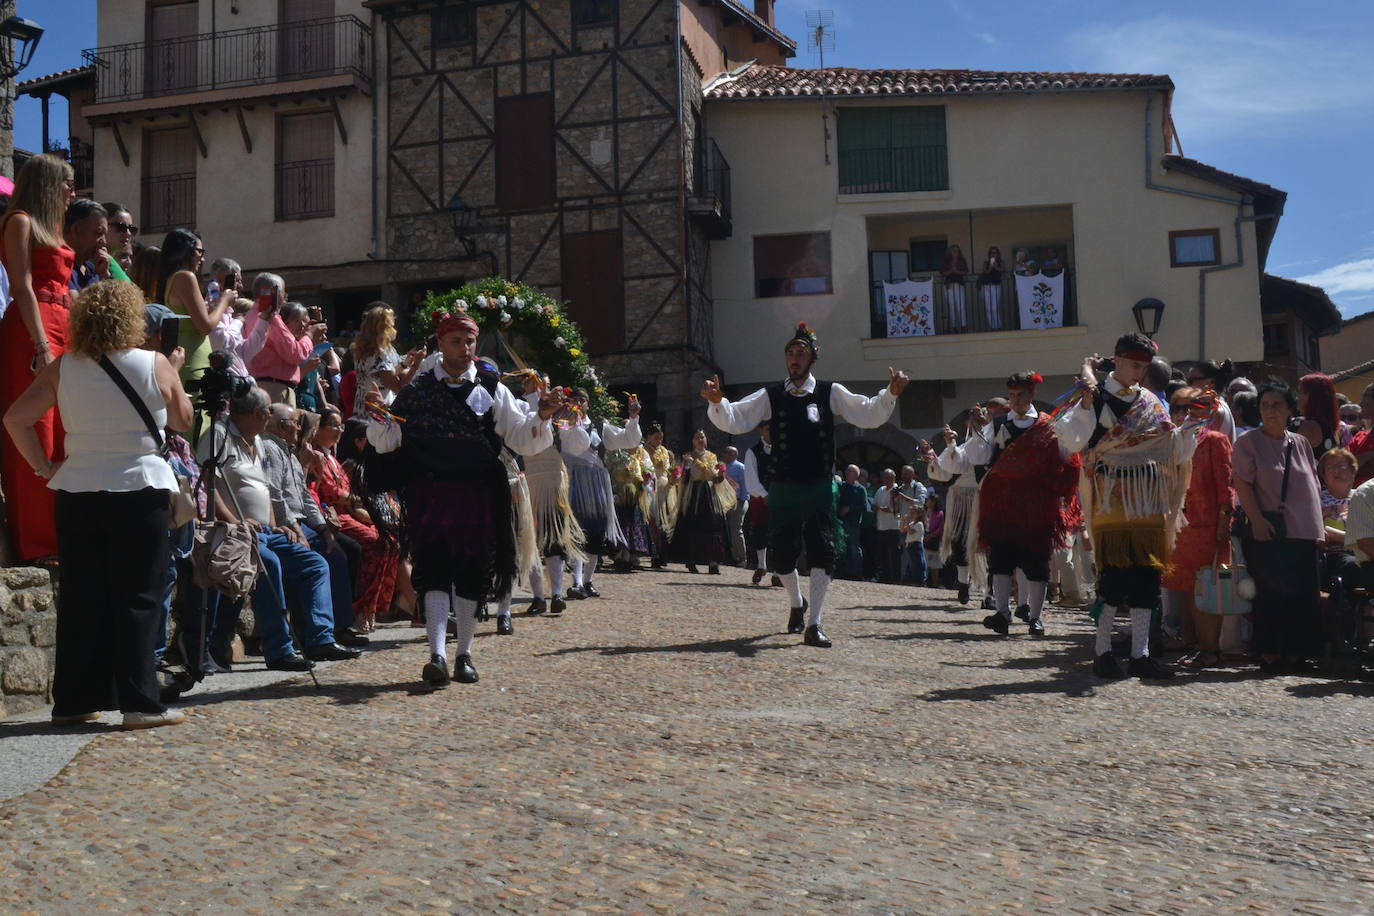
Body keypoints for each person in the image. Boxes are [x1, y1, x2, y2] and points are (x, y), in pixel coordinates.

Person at [3, 280, 191, 729]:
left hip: (78, 489)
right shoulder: (154, 362)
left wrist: (43, 466)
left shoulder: (64, 367)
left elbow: (15, 418)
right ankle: (139, 704)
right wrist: (174, 373)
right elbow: (183, 420)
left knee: (81, 598)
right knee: (138, 596)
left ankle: (74, 700)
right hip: (138, 487)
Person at [366, 312, 562, 686]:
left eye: (469, 341)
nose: (465, 348)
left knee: (472, 574)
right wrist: (378, 416)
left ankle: (464, 655)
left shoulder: (493, 388)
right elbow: (388, 442)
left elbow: (521, 439)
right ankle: (437, 655)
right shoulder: (417, 390)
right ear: (440, 344)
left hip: (479, 494)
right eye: (456, 341)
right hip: (431, 494)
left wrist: (542, 415)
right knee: (434, 573)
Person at [704, 322, 907, 647]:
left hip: (819, 486)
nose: (795, 359)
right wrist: (718, 402)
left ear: (814, 357)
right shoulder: (772, 395)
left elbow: (867, 412)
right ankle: (797, 603)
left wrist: (890, 394)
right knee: (781, 558)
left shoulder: (829, 392)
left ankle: (815, 623)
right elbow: (738, 418)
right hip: (784, 486)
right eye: (791, 353)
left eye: (801, 353)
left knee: (822, 551)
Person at [1057, 335, 1199, 679]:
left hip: (1149, 500)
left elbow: (1172, 448)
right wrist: (1086, 405)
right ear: (1117, 360)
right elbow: (1071, 440)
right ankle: (1102, 651)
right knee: (1115, 576)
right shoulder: (1095, 397)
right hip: (1112, 499)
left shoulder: (1149, 401)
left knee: (1147, 576)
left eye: (1144, 367)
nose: (1139, 373)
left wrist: (1191, 427)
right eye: (1135, 365)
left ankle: (1140, 654)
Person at [198, 386, 359, 671]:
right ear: (257, 413)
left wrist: (276, 526)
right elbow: (209, 485)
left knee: (314, 564)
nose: (269, 417)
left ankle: (320, 639)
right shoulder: (218, 435)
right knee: (268, 564)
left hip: (266, 531)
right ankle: (279, 650)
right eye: (268, 412)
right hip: (234, 531)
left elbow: (266, 489)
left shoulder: (257, 441)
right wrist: (236, 522)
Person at [947, 371, 1078, 638]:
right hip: (1003, 503)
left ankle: (1036, 618)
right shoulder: (997, 424)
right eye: (1012, 395)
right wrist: (978, 430)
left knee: (1037, 561)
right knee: (1001, 559)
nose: (1016, 400)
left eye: (1021, 395)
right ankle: (1002, 613)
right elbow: (976, 456)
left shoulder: (1048, 425)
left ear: (1032, 394)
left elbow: (1066, 458)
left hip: (1037, 505)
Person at [0, 152, 77, 565]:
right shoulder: (21, 221)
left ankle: (62, 533)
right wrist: (41, 344)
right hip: (34, 328)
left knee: (66, 428)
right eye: (67, 183)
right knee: (37, 429)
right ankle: (37, 541)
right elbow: (21, 286)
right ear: (48, 184)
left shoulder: (51, 228)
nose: (72, 192)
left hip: (64, 325)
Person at [1232, 380, 1324, 673]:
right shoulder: (1248, 442)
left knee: (1303, 594)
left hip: (1303, 531)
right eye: (1265, 405)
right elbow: (1243, 485)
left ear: (1289, 410)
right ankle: (1270, 653)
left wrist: (1318, 527)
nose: (1270, 410)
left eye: (1276, 405)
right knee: (1272, 593)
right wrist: (1257, 520)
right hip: (1271, 528)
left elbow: (1312, 484)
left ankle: (1298, 653)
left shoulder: (1300, 443)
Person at [261, 403, 368, 649]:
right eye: (295, 423)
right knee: (320, 561)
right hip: (288, 524)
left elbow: (304, 497)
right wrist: (297, 529)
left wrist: (323, 530)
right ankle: (320, 634)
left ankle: (338, 626)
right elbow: (275, 495)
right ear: (282, 426)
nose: (299, 428)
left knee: (340, 552)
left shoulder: (289, 451)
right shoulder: (271, 449)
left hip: (303, 522)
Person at [308, 406, 400, 634]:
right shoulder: (315, 456)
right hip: (333, 515)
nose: (339, 430)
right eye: (334, 425)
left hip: (348, 513)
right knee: (376, 542)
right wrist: (353, 499)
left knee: (391, 542)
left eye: (341, 426)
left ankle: (371, 607)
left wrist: (353, 501)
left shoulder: (331, 458)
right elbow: (330, 492)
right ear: (319, 429)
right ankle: (359, 608)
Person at [1160, 387, 1234, 668]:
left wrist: (1224, 523)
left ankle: (1210, 650)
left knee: (1206, 590)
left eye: (1191, 407)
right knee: (1186, 589)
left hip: (1207, 528)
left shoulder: (1215, 440)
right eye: (1177, 408)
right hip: (1181, 528)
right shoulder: (1173, 442)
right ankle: (1195, 644)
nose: (1184, 413)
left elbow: (1226, 487)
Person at [156, 229, 234, 388]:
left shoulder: (172, 278)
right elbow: (205, 327)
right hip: (193, 362)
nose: (202, 258)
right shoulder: (185, 277)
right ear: (186, 251)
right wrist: (224, 301)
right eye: (199, 251)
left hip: (187, 358)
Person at [246, 297, 325, 408]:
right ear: (284, 322)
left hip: (284, 391)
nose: (303, 325)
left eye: (306, 322)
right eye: (297, 321)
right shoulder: (276, 326)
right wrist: (309, 335)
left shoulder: (301, 343)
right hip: (275, 390)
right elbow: (294, 354)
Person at [350, 303, 424, 418]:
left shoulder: (362, 350)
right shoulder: (379, 354)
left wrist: (404, 364)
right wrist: (415, 365)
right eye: (391, 325)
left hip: (362, 405)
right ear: (384, 329)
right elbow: (398, 388)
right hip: (378, 410)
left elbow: (384, 376)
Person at [677, 429, 732, 575]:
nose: (700, 440)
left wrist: (721, 474)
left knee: (713, 526)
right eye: (697, 437)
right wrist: (687, 466)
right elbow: (684, 479)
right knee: (694, 526)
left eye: (702, 437)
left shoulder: (712, 456)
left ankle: (713, 562)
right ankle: (692, 560)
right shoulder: (689, 456)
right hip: (695, 492)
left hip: (710, 492)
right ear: (693, 441)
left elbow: (716, 478)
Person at [743, 422, 776, 584]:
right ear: (761, 430)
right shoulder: (753, 451)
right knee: (760, 529)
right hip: (760, 496)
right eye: (768, 429)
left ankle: (778, 571)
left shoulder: (782, 450)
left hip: (780, 496)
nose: (771, 432)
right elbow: (750, 477)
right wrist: (763, 494)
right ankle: (762, 565)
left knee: (780, 532)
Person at [645, 420, 678, 569]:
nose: (659, 440)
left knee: (665, 521)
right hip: (652, 487)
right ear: (649, 437)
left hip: (665, 487)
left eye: (661, 437)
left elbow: (668, 468)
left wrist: (673, 476)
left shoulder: (664, 451)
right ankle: (655, 554)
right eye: (656, 437)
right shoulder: (644, 450)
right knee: (653, 521)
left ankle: (664, 554)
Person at [63, 199, 110, 293]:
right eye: (99, 232)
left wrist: (104, 275)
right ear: (76, 230)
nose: (104, 242)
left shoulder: (93, 269)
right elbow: (78, 302)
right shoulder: (61, 266)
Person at [1185, 360, 1237, 440]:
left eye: (1192, 380)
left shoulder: (1216, 411)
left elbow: (1197, 440)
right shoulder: (1214, 407)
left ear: (1211, 382)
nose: (1188, 385)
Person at [1297, 373, 1340, 462]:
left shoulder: (1309, 426)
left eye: (1301, 392)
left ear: (1313, 396)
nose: (1297, 397)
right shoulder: (1329, 426)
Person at [837, 464, 869, 579]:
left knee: (854, 548)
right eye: (847, 470)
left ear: (856, 475)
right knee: (842, 548)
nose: (846, 472)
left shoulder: (860, 489)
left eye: (849, 471)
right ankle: (842, 572)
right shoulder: (841, 486)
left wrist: (849, 509)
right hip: (841, 522)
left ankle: (856, 573)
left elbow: (864, 507)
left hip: (853, 523)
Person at [872, 468, 903, 584]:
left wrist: (879, 508)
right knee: (882, 553)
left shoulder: (897, 490)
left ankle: (896, 578)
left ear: (893, 478)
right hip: (881, 526)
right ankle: (885, 577)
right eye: (884, 477)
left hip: (893, 527)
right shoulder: (880, 490)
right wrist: (876, 507)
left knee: (894, 554)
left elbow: (893, 509)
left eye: (888, 477)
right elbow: (874, 504)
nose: (886, 479)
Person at [1347, 383, 1374, 487]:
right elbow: (1344, 466)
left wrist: (1357, 465)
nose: (1360, 403)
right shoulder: (1359, 437)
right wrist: (1369, 456)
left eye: (1365, 396)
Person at [101, 202, 138, 274]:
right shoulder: (86, 263)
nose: (128, 233)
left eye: (131, 229)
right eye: (121, 227)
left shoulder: (112, 264)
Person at [941, 244, 969, 329]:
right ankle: (954, 327)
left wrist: (956, 271)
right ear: (950, 252)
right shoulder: (946, 261)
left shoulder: (962, 260)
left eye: (956, 250)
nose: (955, 252)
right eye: (953, 250)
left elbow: (965, 271)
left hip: (959, 284)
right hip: (949, 285)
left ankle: (963, 326)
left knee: (961, 306)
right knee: (952, 306)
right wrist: (951, 271)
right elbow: (942, 273)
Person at [978, 246, 1004, 331]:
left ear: (998, 254)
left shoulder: (1000, 262)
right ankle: (993, 327)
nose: (993, 254)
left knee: (994, 308)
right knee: (988, 309)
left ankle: (998, 327)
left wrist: (996, 267)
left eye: (995, 252)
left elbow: (1003, 270)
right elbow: (985, 272)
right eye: (991, 253)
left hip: (996, 286)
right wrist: (990, 267)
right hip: (986, 286)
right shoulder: (986, 263)